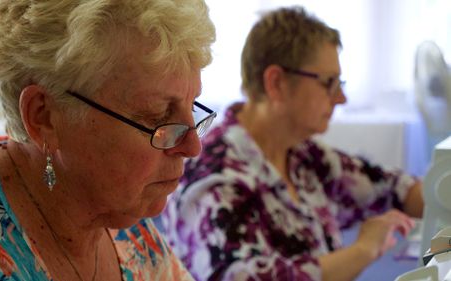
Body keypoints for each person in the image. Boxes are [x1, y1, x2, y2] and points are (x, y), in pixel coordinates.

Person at [0, 0, 216, 280]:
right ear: (44, 117)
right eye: (158, 115)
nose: (193, 147)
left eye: (192, 105)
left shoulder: (123, 219)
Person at [162, 6, 424, 281]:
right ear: (276, 83)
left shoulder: (302, 155)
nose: (341, 99)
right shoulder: (215, 179)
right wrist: (363, 250)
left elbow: (394, 188)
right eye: (329, 83)